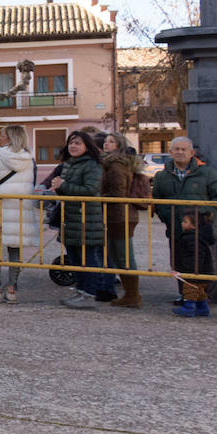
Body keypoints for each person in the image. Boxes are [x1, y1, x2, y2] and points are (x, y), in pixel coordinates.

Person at [151, 135, 217, 306]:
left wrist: (202, 217)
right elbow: (158, 201)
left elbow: (216, 198)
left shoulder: (207, 173)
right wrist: (168, 216)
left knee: (204, 264)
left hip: (201, 229)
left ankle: (202, 298)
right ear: (170, 152)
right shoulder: (162, 176)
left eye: (184, 149)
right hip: (176, 228)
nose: (180, 152)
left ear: (191, 153)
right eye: (177, 149)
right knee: (179, 262)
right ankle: (185, 295)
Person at [0, 125, 36, 304]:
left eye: (2, 136)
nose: (0, 139)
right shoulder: (30, 157)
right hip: (20, 207)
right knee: (15, 247)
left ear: (10, 138)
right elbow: (32, 181)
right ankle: (12, 290)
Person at [55, 130, 107, 309]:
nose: (73, 146)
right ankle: (80, 290)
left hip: (87, 218)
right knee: (75, 257)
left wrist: (64, 185)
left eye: (78, 143)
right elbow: (68, 189)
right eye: (71, 142)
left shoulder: (92, 165)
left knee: (88, 257)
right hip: (70, 217)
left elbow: (90, 190)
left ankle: (89, 293)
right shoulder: (69, 164)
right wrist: (58, 188)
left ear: (87, 146)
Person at [100, 132, 145, 308]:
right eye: (105, 141)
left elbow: (118, 193)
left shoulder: (116, 165)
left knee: (124, 256)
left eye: (111, 142)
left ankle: (133, 295)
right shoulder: (112, 163)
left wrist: (99, 197)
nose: (106, 144)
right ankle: (129, 294)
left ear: (118, 145)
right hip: (117, 214)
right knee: (118, 255)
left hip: (120, 215)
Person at [171, 207, 213, 317]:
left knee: (190, 289)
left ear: (194, 225)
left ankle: (188, 307)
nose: (182, 223)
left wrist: (189, 270)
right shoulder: (194, 237)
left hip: (195, 271)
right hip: (203, 270)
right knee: (199, 291)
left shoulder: (192, 239)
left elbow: (196, 256)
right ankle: (203, 308)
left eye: (185, 222)